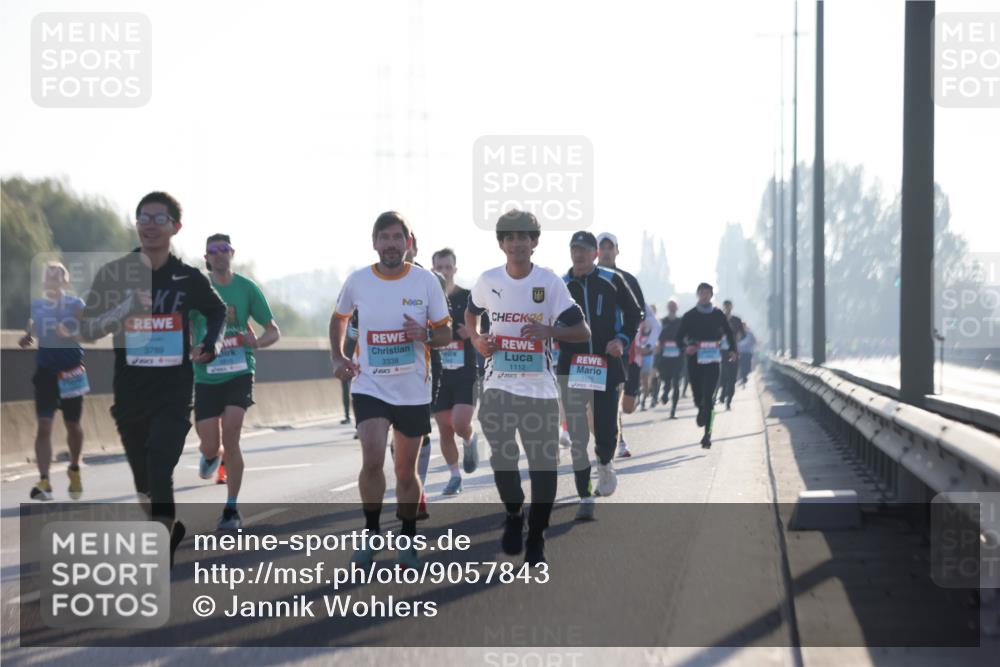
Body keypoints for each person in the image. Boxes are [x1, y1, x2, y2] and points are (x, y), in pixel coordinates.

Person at [79, 191, 227, 567]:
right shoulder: (114, 273)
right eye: (143, 217)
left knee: (161, 463)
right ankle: (166, 524)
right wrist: (125, 308)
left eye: (159, 218)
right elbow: (87, 329)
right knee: (145, 481)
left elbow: (217, 311)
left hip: (174, 388)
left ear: (176, 227)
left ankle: (160, 543)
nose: (149, 224)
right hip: (129, 389)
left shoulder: (188, 277)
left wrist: (212, 342)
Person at [466, 210, 590, 565]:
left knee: (543, 468)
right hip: (498, 387)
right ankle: (514, 512)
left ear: (535, 242)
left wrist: (549, 332)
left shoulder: (549, 283)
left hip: (540, 392)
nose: (518, 242)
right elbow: (471, 313)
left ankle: (537, 536)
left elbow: (582, 331)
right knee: (503, 463)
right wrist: (477, 339)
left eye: (525, 237)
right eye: (511, 237)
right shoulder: (487, 280)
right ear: (501, 243)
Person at [330, 211, 452, 569]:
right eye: (384, 237)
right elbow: (339, 318)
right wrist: (338, 357)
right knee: (371, 456)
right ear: (374, 243)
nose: (391, 244)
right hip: (369, 384)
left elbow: (445, 332)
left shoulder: (426, 282)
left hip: (413, 388)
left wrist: (426, 335)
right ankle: (370, 534)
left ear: (408, 243)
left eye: (397, 237)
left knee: (404, 470)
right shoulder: (357, 281)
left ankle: (409, 537)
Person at [193, 234, 281, 530]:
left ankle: (231, 509)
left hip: (240, 371)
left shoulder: (246, 288)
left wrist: (255, 343)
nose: (219, 255)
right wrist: (189, 350)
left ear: (232, 254)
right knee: (210, 443)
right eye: (213, 251)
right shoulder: (198, 289)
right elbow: (178, 326)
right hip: (206, 374)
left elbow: (273, 331)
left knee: (231, 436)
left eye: (224, 250)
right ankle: (210, 455)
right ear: (206, 258)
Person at [559, 231, 641, 519]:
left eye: (584, 250)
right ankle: (584, 493)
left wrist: (621, 340)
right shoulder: (561, 285)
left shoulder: (611, 280)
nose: (578, 255)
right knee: (578, 434)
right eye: (574, 249)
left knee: (605, 428)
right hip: (573, 367)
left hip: (607, 366)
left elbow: (635, 314)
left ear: (595, 253)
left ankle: (605, 463)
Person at [19, 262, 87, 501]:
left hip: (71, 372)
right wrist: (28, 336)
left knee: (73, 426)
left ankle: (75, 467)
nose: (53, 280)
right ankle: (44, 481)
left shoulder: (75, 304)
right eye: (49, 277)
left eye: (57, 276)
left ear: (65, 281)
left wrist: (70, 332)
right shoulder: (38, 304)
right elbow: (37, 328)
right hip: (46, 371)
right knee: (44, 426)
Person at [430, 248, 482, 496]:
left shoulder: (467, 296)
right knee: (444, 428)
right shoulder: (426, 299)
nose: (443, 272)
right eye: (439, 267)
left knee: (461, 424)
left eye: (447, 267)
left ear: (455, 269)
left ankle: (470, 440)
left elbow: (482, 323)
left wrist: (471, 332)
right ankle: (454, 476)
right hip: (439, 373)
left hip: (465, 372)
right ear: (432, 270)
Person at [595, 232, 647, 457]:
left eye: (610, 247)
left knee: (623, 403)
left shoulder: (627, 280)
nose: (606, 251)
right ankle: (613, 443)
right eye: (602, 247)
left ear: (617, 251)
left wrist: (624, 337)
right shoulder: (585, 276)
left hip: (621, 348)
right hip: (593, 348)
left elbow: (639, 313)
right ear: (595, 251)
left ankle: (612, 440)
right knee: (599, 399)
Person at [675, 283, 736, 449]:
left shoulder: (718, 314)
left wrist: (732, 349)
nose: (704, 295)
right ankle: (701, 408)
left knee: (708, 396)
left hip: (713, 359)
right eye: (701, 293)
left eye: (707, 293)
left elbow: (729, 333)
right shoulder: (690, 315)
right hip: (695, 359)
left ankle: (707, 435)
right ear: (697, 295)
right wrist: (685, 348)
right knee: (698, 397)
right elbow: (679, 337)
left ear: (711, 295)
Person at [656, 299, 685, 418]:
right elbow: (657, 336)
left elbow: (686, 335)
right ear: (667, 308)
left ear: (677, 308)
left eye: (674, 306)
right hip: (664, 357)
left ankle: (673, 409)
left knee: (676, 383)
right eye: (670, 306)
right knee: (666, 380)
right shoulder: (662, 322)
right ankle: (665, 392)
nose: (672, 308)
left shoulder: (681, 321)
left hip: (678, 357)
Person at [717, 299, 745, 411]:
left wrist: (737, 337)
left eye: (729, 306)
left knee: (732, 376)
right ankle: (723, 393)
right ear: (723, 307)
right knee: (723, 374)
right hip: (721, 351)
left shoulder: (737, 320)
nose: (727, 308)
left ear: (732, 307)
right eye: (725, 306)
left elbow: (742, 334)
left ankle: (729, 401)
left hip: (733, 351)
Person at [637, 303, 662, 412]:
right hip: (638, 356)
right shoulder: (638, 327)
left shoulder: (654, 327)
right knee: (638, 379)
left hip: (648, 357)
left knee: (646, 379)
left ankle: (644, 401)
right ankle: (638, 398)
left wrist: (649, 347)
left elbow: (656, 343)